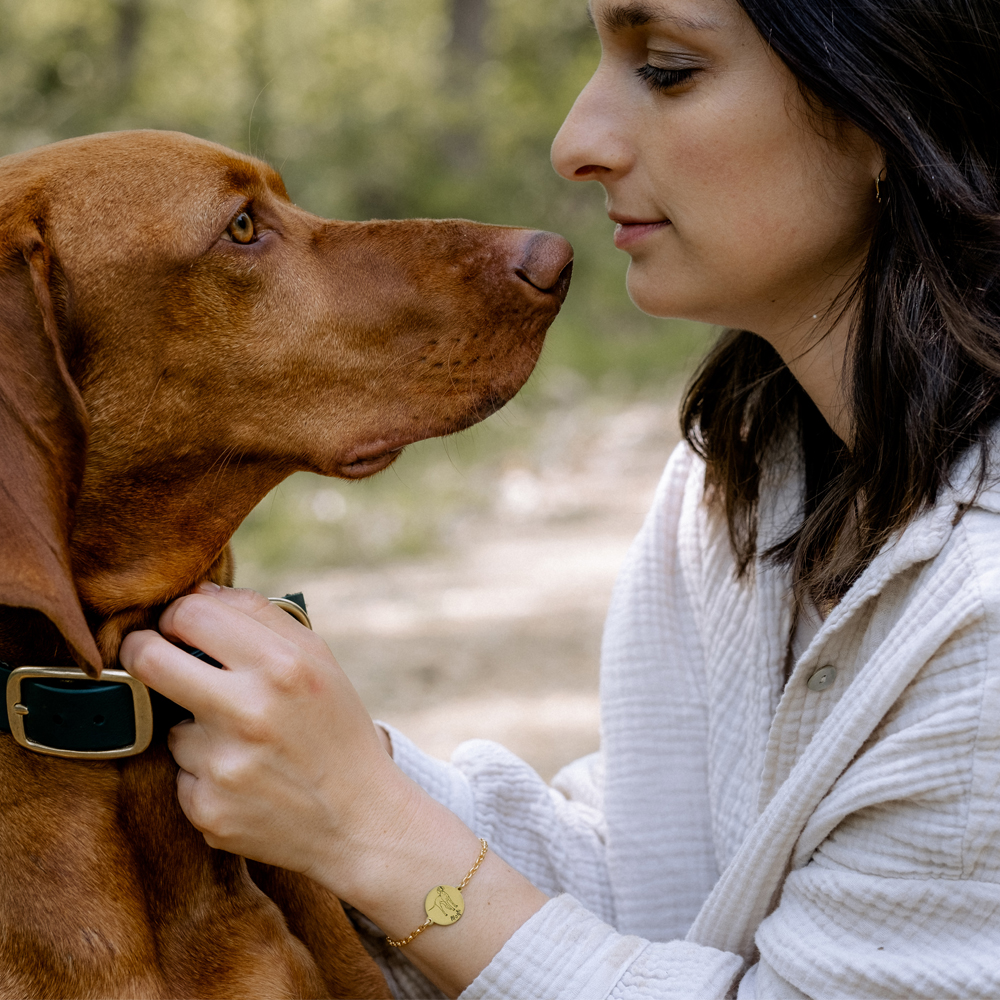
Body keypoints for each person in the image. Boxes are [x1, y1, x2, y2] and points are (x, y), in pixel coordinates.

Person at [120, 0, 1000, 995]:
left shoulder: (981, 620)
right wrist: (326, 768)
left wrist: (371, 829)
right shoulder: (743, 479)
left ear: (885, 103)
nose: (575, 141)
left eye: (668, 70)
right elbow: (647, 885)